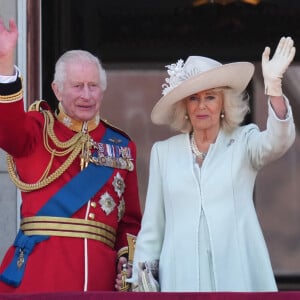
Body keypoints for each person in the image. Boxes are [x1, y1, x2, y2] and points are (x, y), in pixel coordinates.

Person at [115, 36, 296, 292]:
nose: (202, 106)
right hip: (179, 278)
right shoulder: (163, 153)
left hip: (237, 274)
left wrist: (275, 87)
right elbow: (153, 228)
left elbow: (278, 141)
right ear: (184, 106)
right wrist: (143, 283)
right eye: (193, 98)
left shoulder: (244, 142)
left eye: (210, 97)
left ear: (223, 103)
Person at [0, 18, 141, 293]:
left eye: (93, 86)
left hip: (100, 281)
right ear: (57, 90)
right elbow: (7, 129)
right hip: (41, 276)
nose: (86, 95)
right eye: (77, 86)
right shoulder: (37, 130)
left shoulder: (122, 146)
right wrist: (5, 64)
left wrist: (126, 265)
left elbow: (130, 221)